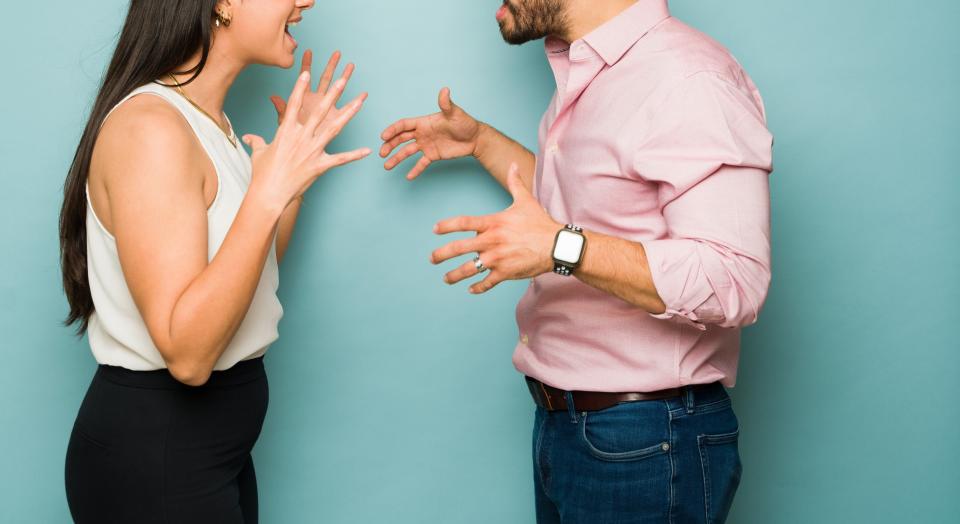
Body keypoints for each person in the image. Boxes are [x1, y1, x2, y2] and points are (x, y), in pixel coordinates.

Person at [379, 0, 773, 522]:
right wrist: (482, 143)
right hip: (573, 428)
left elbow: (734, 279)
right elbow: (590, 213)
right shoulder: (590, 73)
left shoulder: (689, 77)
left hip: (648, 441)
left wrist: (561, 248)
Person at [58, 1, 369, 522]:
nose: (304, 2)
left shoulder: (209, 122)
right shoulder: (151, 129)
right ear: (223, 3)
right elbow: (188, 353)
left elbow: (243, 282)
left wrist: (288, 185)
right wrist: (266, 194)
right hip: (158, 457)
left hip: (209, 451)